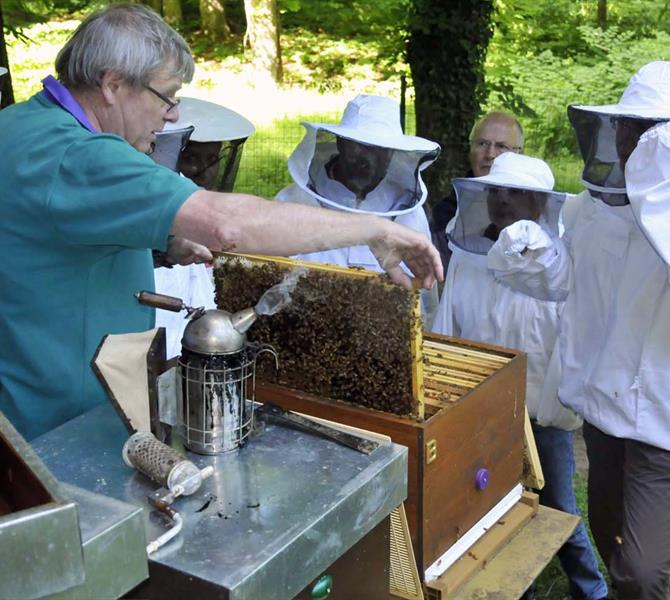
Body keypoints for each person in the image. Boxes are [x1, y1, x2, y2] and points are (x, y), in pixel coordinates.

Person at [0, 4, 442, 440]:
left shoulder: (19, 124)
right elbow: (227, 224)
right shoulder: (84, 155)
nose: (172, 114)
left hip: (20, 408)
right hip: (64, 430)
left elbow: (53, 231)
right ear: (113, 84)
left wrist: (163, 243)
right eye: (166, 95)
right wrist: (374, 229)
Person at [485, 61, 670, 599]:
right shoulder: (596, 209)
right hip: (602, 407)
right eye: (625, 128)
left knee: (641, 571)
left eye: (648, 133)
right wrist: (529, 249)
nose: (629, 142)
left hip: (669, 421)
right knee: (614, 540)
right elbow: (568, 279)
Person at [433, 152, 608, 600]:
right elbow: (449, 326)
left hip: (540, 416)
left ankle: (593, 591)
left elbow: (566, 345)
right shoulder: (466, 251)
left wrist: (553, 412)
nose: (503, 201)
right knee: (490, 511)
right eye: (496, 191)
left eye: (516, 193)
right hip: (480, 413)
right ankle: (515, 592)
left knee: (557, 507)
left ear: (539, 204)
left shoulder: (556, 263)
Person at [276, 94, 442, 325]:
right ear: (341, 143)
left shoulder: (409, 213)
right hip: (303, 332)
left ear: (393, 153)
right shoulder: (293, 201)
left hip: (384, 342)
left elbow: (424, 301)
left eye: (379, 149)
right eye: (359, 145)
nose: (367, 158)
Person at [150, 97, 256, 357]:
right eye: (193, 157)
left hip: (202, 352)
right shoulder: (150, 212)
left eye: (212, 158)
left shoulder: (220, 218)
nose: (204, 169)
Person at [429, 111, 524, 276]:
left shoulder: (534, 209)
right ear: (470, 148)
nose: (490, 154)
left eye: (501, 146)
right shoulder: (443, 214)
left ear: (520, 153)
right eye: (482, 144)